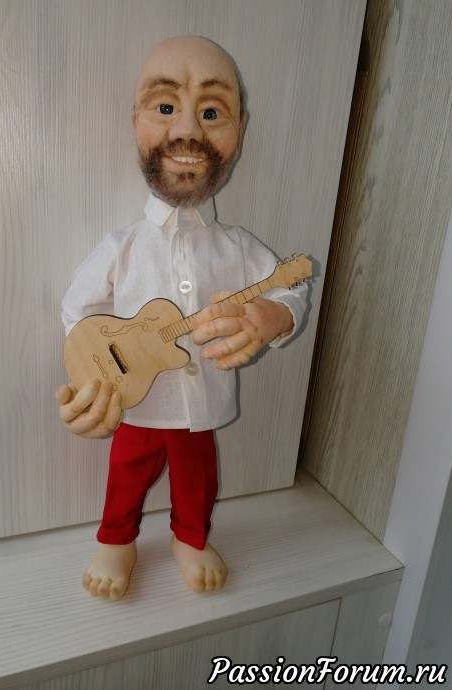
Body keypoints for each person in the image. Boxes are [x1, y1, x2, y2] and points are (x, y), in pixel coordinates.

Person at [56, 35, 308, 600]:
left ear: (240, 130)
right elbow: (77, 308)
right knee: (125, 475)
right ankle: (116, 539)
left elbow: (292, 288)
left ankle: (190, 537)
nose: (188, 128)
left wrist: (272, 315)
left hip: (201, 410)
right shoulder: (121, 247)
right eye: (166, 106)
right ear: (137, 122)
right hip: (139, 405)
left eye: (212, 112)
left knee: (198, 479)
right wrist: (96, 372)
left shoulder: (239, 248)